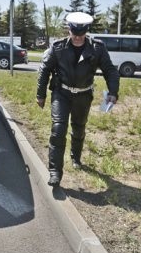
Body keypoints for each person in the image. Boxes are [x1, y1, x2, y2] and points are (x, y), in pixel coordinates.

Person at [36, 12, 120, 187]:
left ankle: (76, 157)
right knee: (58, 130)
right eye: (74, 34)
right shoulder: (57, 47)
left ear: (86, 32)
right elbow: (45, 69)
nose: (77, 38)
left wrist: (113, 91)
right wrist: (41, 94)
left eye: (81, 35)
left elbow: (110, 70)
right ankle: (55, 172)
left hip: (83, 94)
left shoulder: (97, 48)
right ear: (69, 31)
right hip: (62, 93)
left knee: (79, 128)